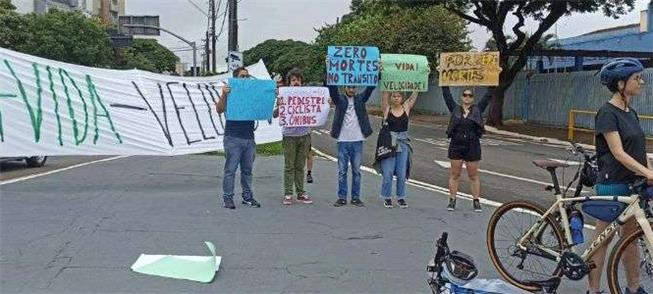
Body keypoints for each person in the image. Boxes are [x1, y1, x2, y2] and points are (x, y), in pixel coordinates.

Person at [587, 58, 652, 294]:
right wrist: (646, 172)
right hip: (613, 184)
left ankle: (634, 288)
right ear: (620, 83)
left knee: (631, 239)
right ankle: (593, 290)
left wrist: (648, 171)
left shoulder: (630, 112)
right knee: (603, 238)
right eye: (636, 78)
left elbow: (638, 149)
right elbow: (618, 153)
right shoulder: (607, 113)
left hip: (632, 184)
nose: (641, 81)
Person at [441, 86, 494, 212]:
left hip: (472, 145)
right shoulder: (455, 109)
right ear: (461, 97)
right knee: (455, 174)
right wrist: (443, 80)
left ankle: (476, 200)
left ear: (473, 98)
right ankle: (452, 200)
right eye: (465, 95)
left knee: (473, 175)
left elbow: (488, 96)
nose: (467, 97)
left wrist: (494, 78)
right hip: (456, 145)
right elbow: (446, 95)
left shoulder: (477, 109)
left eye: (470, 95)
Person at [215, 67, 261, 209]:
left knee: (247, 171)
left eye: (247, 76)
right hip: (233, 137)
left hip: (249, 138)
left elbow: (262, 107)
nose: (245, 79)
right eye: (242, 76)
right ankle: (228, 198)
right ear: (235, 79)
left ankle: (247, 197)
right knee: (230, 170)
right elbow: (219, 109)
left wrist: (270, 94)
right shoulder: (230, 93)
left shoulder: (252, 95)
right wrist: (224, 94)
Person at [327, 83, 376, 207]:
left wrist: (378, 73)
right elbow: (331, 88)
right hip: (342, 141)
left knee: (356, 171)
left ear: (356, 89)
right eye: (349, 87)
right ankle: (342, 198)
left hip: (357, 140)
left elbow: (370, 87)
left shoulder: (361, 98)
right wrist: (329, 71)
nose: (351, 89)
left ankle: (355, 198)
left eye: (353, 87)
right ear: (344, 88)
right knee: (342, 171)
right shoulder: (339, 99)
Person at [273, 68, 313, 205]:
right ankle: (288, 193)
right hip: (289, 135)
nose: (296, 82)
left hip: (304, 135)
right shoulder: (282, 96)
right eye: (293, 80)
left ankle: (301, 193)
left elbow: (317, 109)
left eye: (298, 80)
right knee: (289, 165)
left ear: (302, 83)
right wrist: (280, 106)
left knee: (300, 165)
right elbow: (274, 115)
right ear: (289, 83)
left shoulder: (308, 96)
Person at [376, 90, 418, 208]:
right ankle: (387, 197)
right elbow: (384, 93)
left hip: (403, 144)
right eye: (394, 96)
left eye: (398, 96)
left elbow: (415, 94)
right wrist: (385, 77)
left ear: (402, 98)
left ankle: (401, 197)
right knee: (388, 172)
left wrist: (422, 79)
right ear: (391, 97)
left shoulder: (406, 108)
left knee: (401, 172)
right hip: (389, 143)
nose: (396, 98)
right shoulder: (387, 109)